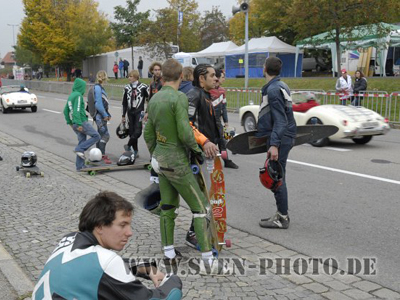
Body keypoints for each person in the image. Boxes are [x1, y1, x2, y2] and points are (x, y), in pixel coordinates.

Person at [144, 59, 226, 275]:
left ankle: (169, 253)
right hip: (177, 161)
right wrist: (198, 151)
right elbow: (184, 130)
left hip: (161, 160)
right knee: (201, 208)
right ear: (181, 76)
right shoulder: (179, 97)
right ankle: (208, 259)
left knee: (168, 206)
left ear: (161, 77)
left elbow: (148, 132)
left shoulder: (154, 98)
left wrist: (155, 153)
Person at [31, 191, 183, 299]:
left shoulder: (68, 240)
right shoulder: (105, 261)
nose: (129, 232)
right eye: (122, 225)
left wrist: (146, 267)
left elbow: (98, 268)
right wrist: (172, 280)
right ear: (99, 226)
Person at [258, 57, 296, 229]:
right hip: (282, 136)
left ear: (264, 68)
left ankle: (282, 217)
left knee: (276, 176)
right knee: (277, 175)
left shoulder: (273, 90)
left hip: (280, 137)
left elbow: (281, 121)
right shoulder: (281, 86)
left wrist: (274, 144)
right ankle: (282, 214)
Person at [187, 64, 238, 170]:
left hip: (209, 151)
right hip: (197, 154)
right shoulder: (194, 96)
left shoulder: (206, 94)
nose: (216, 79)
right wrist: (204, 142)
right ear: (201, 78)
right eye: (212, 75)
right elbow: (187, 125)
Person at [63, 78, 100, 171]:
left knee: (82, 142)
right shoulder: (78, 96)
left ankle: (80, 166)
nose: (84, 90)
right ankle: (79, 149)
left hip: (75, 123)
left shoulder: (71, 95)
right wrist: (79, 124)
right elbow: (77, 110)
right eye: (84, 87)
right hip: (81, 122)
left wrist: (70, 122)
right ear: (80, 87)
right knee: (96, 136)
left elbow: (65, 111)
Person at [122, 70, 149, 157]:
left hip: (140, 112)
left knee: (138, 131)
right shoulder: (126, 87)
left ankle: (128, 145)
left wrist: (147, 111)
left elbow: (150, 99)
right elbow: (124, 103)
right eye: (129, 76)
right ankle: (135, 151)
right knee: (131, 132)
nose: (129, 78)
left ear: (136, 77)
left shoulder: (144, 86)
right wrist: (123, 115)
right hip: (130, 112)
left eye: (131, 76)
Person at [94, 70, 112, 164]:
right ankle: (102, 155)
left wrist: (108, 114)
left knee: (100, 135)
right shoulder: (98, 88)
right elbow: (98, 104)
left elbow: (103, 103)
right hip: (100, 117)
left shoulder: (99, 87)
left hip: (101, 116)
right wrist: (104, 115)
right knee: (105, 135)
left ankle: (98, 155)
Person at [210, 69, 229, 146]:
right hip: (210, 123)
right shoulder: (208, 90)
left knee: (223, 143)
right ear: (217, 78)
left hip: (218, 122)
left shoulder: (222, 91)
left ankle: (226, 156)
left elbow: (224, 107)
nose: (224, 79)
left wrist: (226, 121)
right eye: (222, 77)